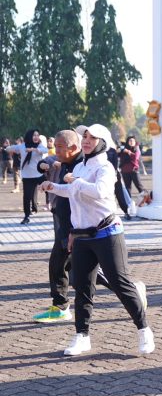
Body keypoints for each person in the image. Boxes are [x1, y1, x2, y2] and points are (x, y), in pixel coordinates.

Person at [42, 124, 154, 355]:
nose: (86, 140)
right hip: (82, 237)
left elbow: (100, 192)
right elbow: (74, 191)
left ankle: (144, 330)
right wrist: (55, 186)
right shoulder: (81, 166)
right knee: (82, 287)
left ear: (102, 142)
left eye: (92, 138)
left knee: (121, 284)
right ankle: (81, 336)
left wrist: (75, 182)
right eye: (85, 136)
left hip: (107, 233)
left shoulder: (105, 167)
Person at [32, 129, 126, 323]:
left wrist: (71, 232)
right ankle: (65, 311)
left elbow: (92, 194)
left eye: (59, 147)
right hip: (69, 227)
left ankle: (130, 293)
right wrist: (53, 186)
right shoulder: (70, 164)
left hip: (86, 229)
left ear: (73, 148)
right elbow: (58, 175)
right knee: (70, 269)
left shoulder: (88, 167)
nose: (55, 151)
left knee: (81, 273)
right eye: (85, 137)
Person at [6, 129, 48, 224]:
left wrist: (34, 149)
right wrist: (8, 148)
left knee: (49, 189)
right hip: (27, 176)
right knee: (27, 197)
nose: (36, 137)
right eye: (34, 135)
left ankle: (52, 206)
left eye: (37, 135)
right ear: (29, 136)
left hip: (39, 174)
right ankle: (26, 216)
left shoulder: (39, 146)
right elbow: (10, 148)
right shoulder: (22, 146)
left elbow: (46, 150)